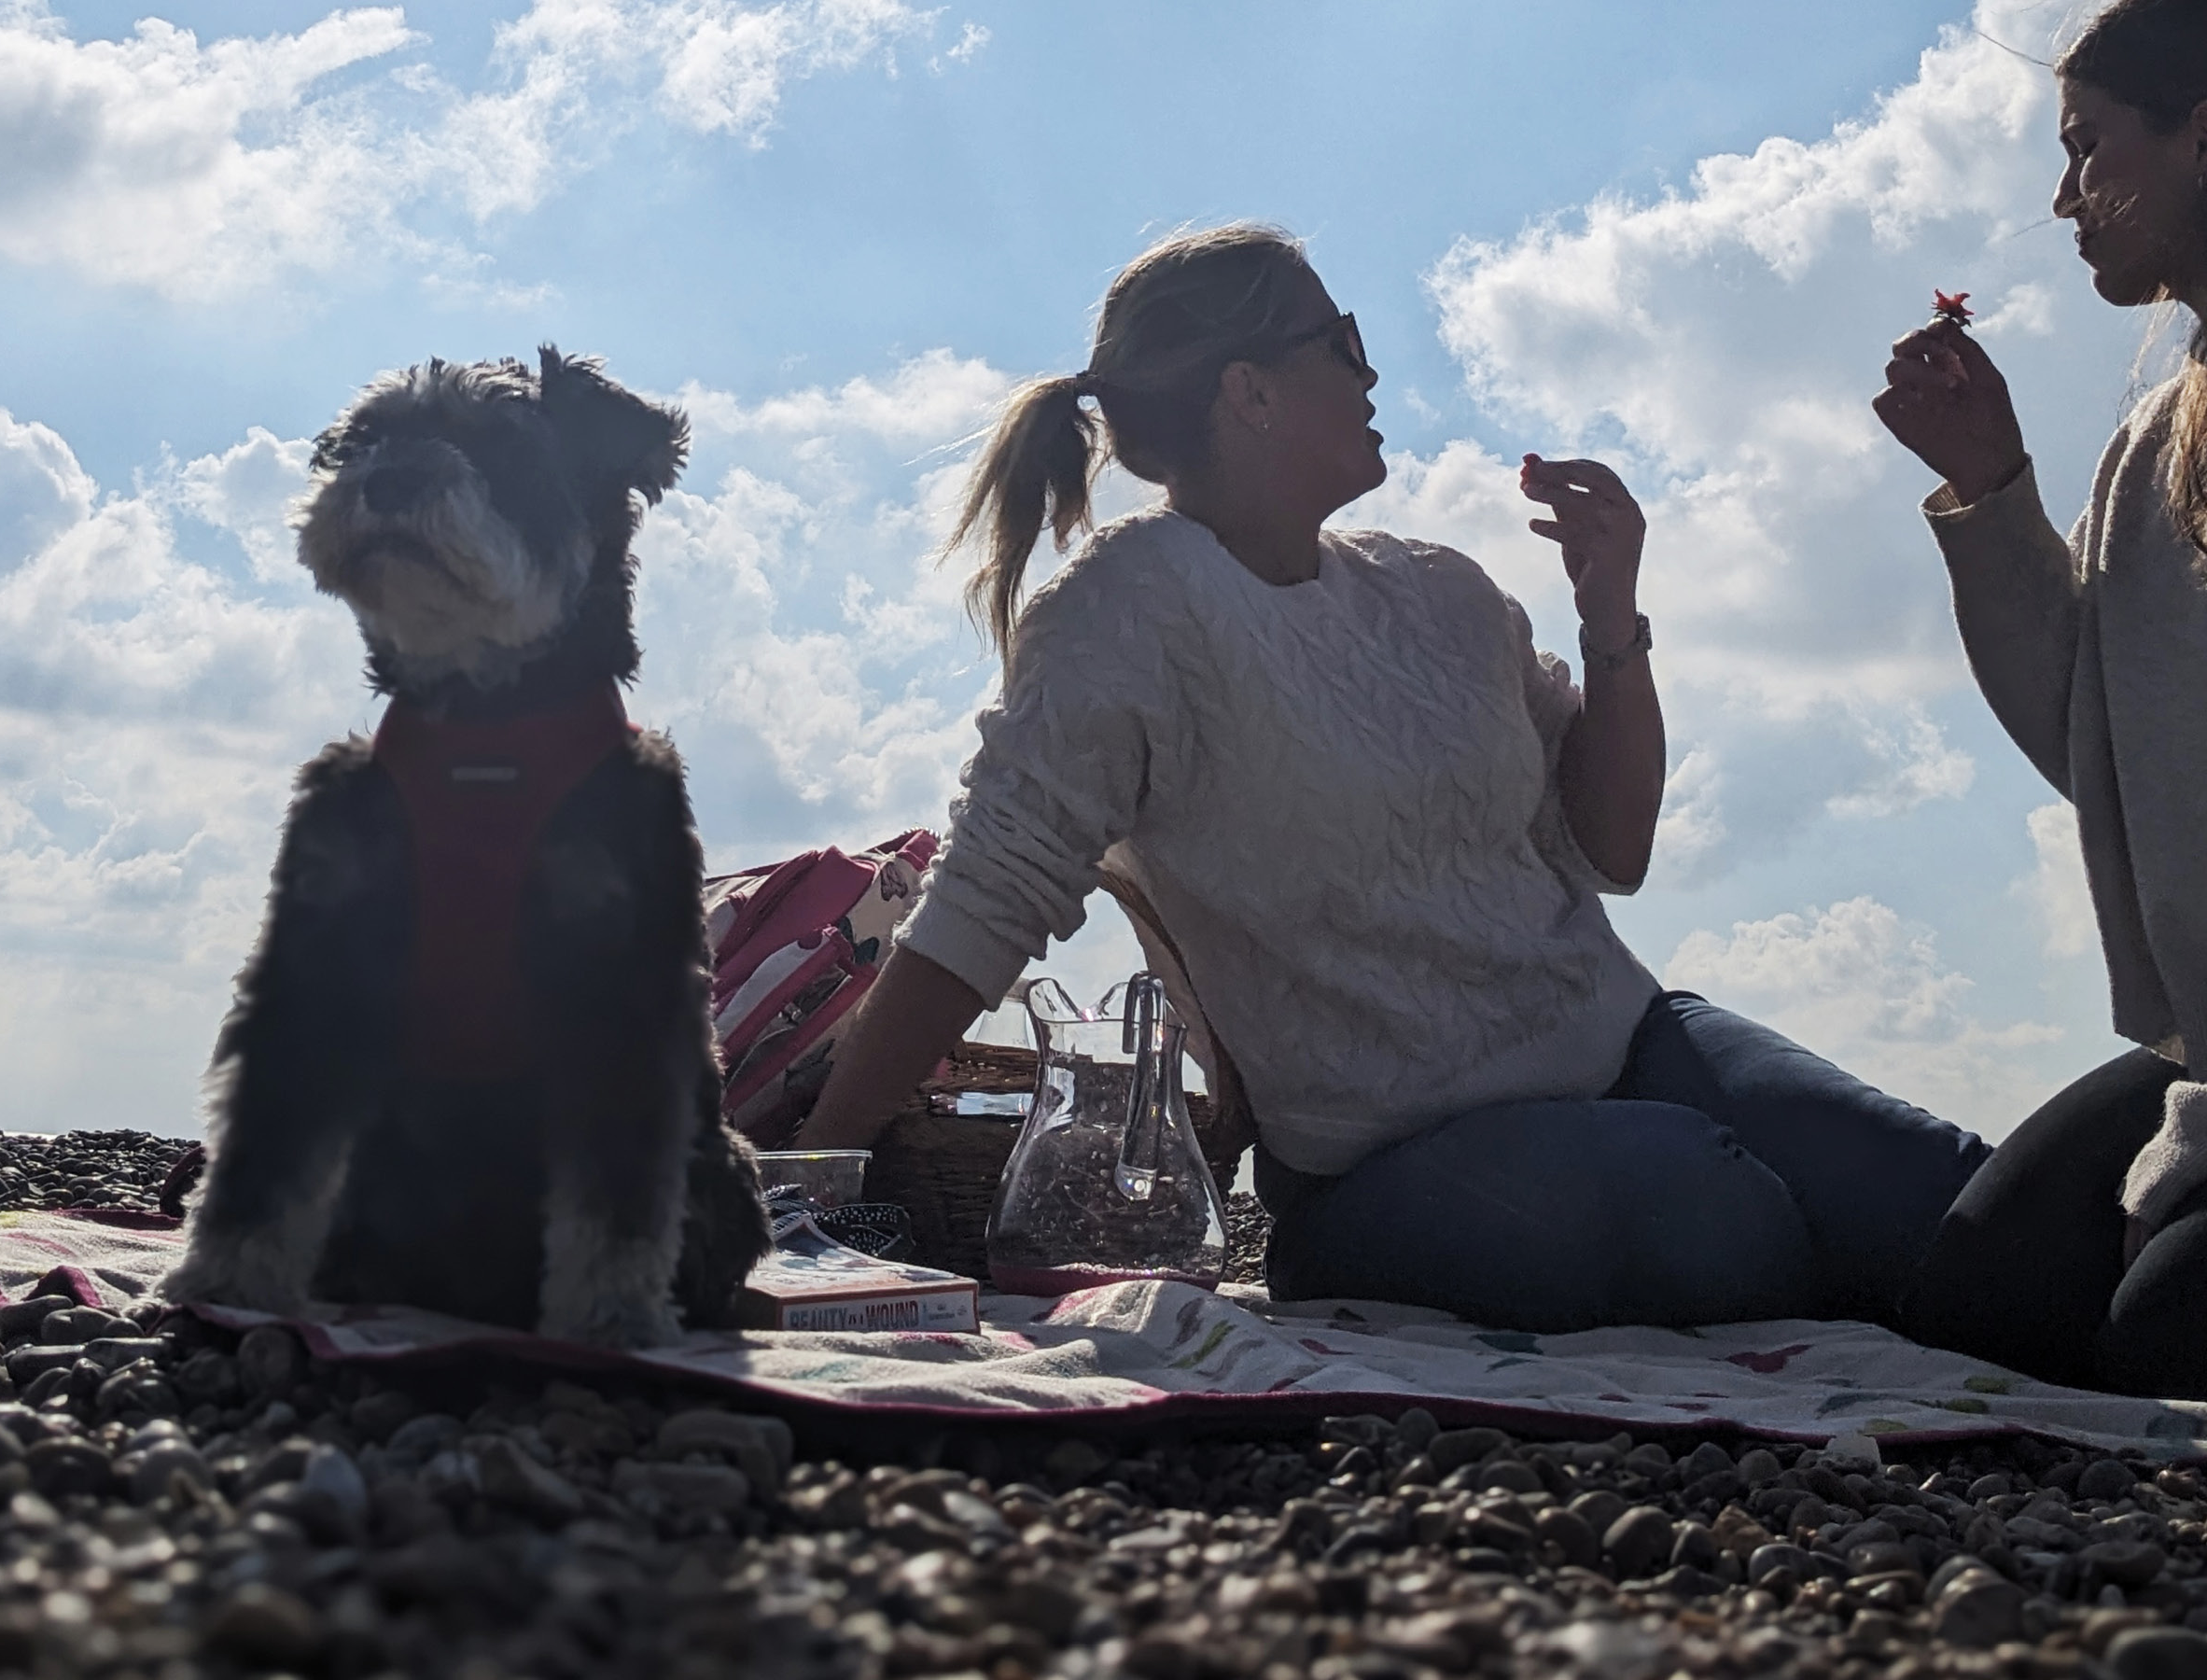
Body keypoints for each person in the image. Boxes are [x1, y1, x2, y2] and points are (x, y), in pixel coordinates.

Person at [794, 222, 1989, 1332]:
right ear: (1247, 392)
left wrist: (1610, 616)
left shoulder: (1441, 589)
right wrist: (817, 1176)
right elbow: (987, 895)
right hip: (1395, 1159)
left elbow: (1609, 852)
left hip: (1633, 1039)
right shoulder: (1127, 611)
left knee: (1938, 1191)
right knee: (1713, 1207)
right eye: (1343, 343)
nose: (1373, 374)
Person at [1878, 0, 2207, 1398]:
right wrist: (1992, 488)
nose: (2062, 195)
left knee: (2158, 1339)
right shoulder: (2155, 436)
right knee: (1983, 1312)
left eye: (2087, 148)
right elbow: (2111, 744)